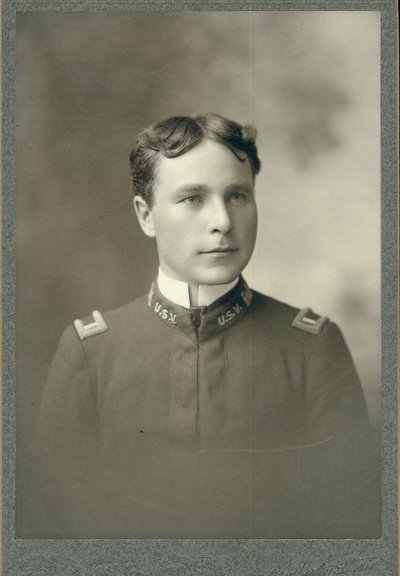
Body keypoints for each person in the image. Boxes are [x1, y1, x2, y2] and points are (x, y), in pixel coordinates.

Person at [28, 114, 380, 539]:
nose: (223, 222)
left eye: (237, 196)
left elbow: (351, 527)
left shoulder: (311, 348)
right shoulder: (91, 352)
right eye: (193, 198)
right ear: (146, 215)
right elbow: (49, 527)